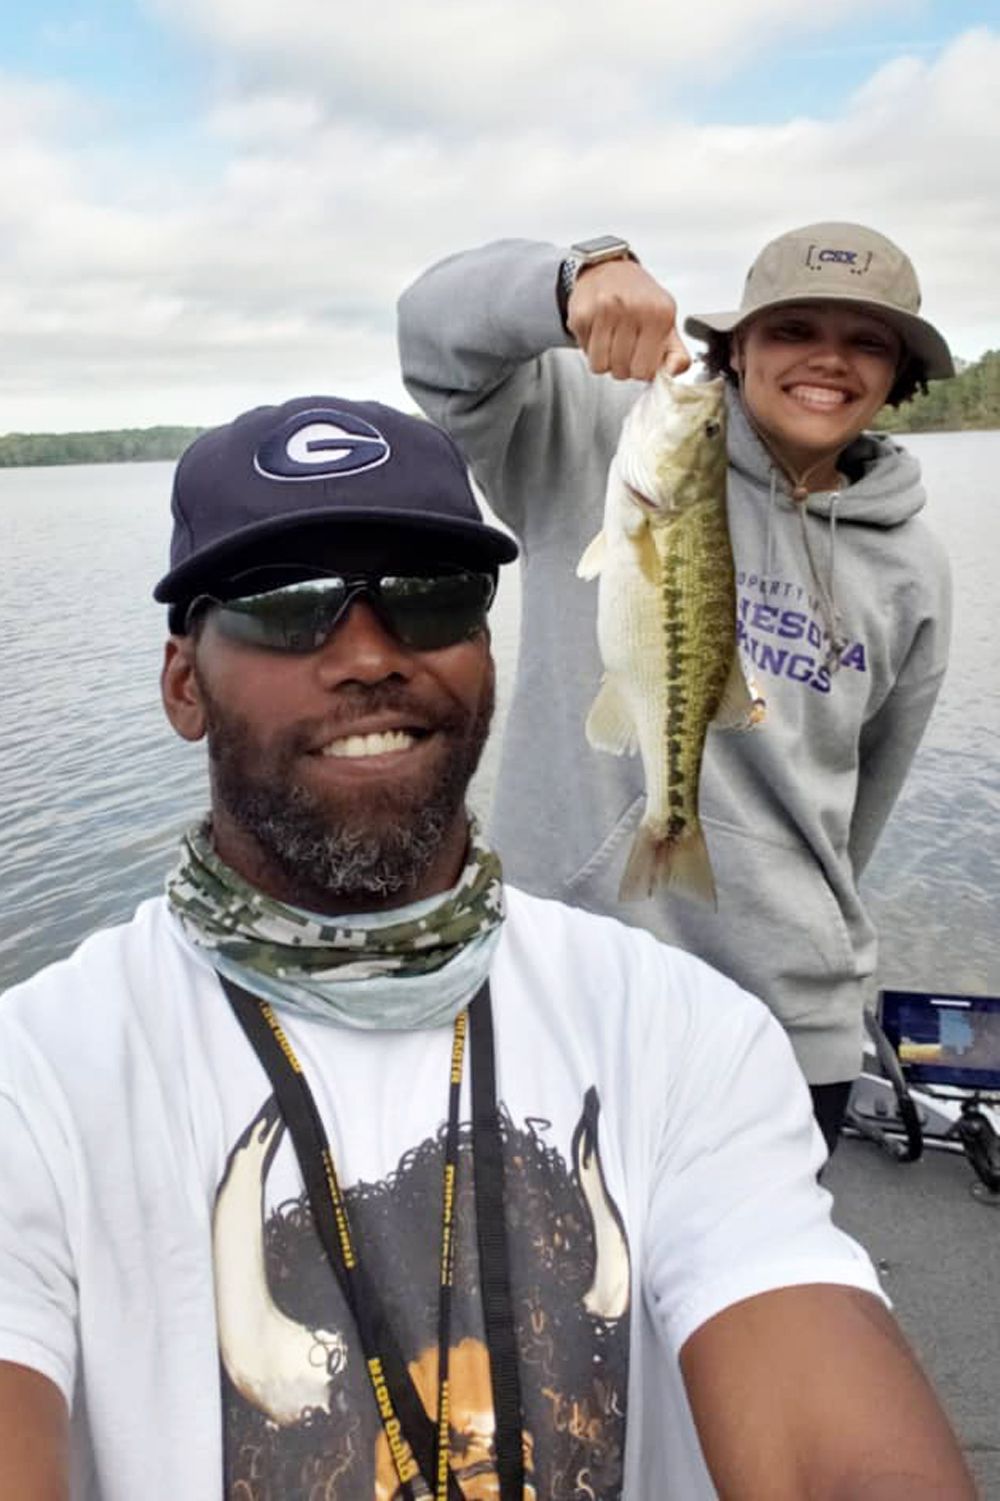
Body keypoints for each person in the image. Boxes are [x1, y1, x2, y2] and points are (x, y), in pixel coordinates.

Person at [0, 395, 973, 1501]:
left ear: (484, 646)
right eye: (288, 604)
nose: (368, 652)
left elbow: (826, 1434)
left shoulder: (683, 1033)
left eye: (431, 597)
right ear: (184, 683)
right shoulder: (36, 1080)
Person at [397, 223, 954, 1150]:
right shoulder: (600, 441)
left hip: (787, 1023)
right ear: (735, 349)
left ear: (899, 373)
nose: (828, 361)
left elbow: (867, 802)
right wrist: (575, 272)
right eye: (792, 330)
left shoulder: (913, 566)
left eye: (867, 341)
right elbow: (431, 338)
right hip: (563, 983)